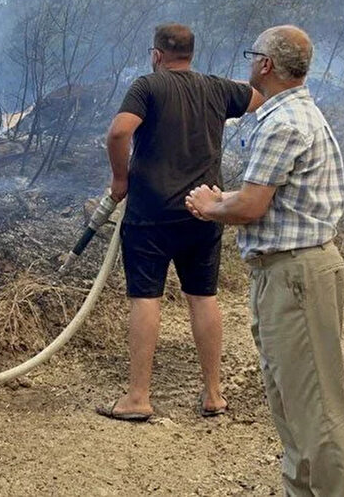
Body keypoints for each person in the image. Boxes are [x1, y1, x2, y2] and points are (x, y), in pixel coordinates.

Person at [186, 25, 344, 496]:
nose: (250, 64)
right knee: (292, 401)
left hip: (295, 275)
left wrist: (212, 206)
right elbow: (274, 197)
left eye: (253, 56)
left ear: (265, 64)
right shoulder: (293, 115)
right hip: (289, 273)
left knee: (318, 410)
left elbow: (251, 206)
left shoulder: (283, 123)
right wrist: (227, 198)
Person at [95, 23, 263, 423]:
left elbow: (119, 131)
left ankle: (138, 397)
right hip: (204, 210)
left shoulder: (148, 86)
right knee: (203, 297)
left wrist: (120, 179)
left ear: (156, 54)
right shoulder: (219, 88)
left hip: (151, 214)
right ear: (191, 53)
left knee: (146, 298)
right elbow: (261, 95)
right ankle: (213, 394)